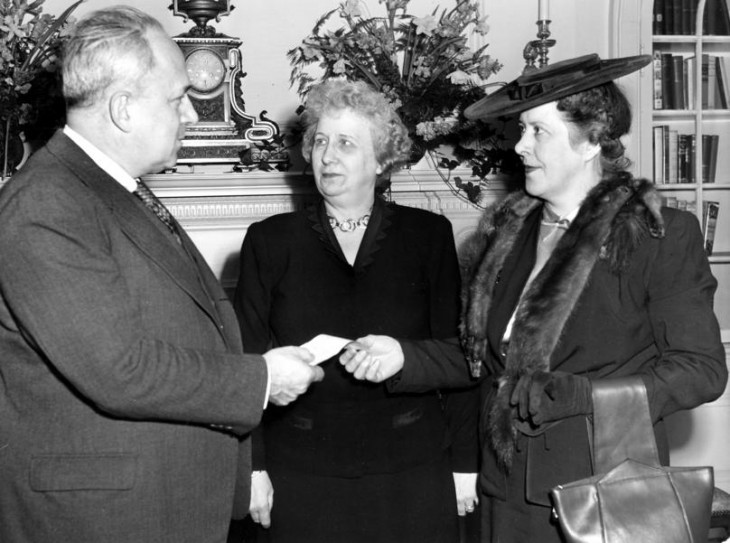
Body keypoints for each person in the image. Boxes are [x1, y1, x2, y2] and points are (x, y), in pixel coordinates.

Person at [340, 53, 728, 542]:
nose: (520, 146)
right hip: (504, 489)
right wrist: (402, 356)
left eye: (537, 131)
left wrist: (584, 397)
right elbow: (484, 359)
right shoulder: (509, 230)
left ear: (590, 140)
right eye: (520, 130)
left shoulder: (658, 234)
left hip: (603, 493)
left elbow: (702, 370)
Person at [0, 7, 323, 543]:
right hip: (100, 520)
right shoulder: (45, 205)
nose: (192, 118)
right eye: (177, 101)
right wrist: (263, 378)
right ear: (124, 109)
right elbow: (118, 368)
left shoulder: (109, 187)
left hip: (153, 504)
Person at [233, 78, 479, 543]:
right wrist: (252, 467)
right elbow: (244, 363)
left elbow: (462, 356)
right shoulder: (269, 240)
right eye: (320, 141)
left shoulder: (428, 236)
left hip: (412, 471)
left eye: (346, 143)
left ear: (382, 159)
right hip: (300, 474)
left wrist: (465, 464)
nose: (327, 156)